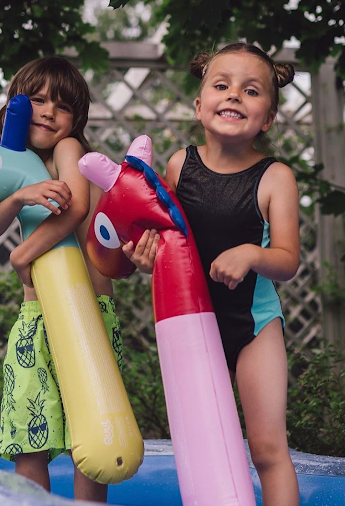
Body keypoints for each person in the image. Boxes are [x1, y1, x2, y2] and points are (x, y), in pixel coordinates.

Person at [123, 43, 300, 506]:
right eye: (222, 86)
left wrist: (252, 255)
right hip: (194, 325)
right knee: (205, 450)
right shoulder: (181, 167)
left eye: (250, 90)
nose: (234, 96)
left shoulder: (275, 177)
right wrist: (149, 258)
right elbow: (169, 242)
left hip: (254, 325)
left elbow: (287, 259)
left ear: (268, 118)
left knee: (266, 449)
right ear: (200, 107)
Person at [0, 56, 120, 503]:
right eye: (37, 101)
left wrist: (24, 253)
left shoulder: (68, 150)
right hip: (36, 317)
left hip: (86, 317)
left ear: (75, 120)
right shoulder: (18, 164)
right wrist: (20, 193)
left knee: (91, 440)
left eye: (61, 107)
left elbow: (76, 206)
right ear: (15, 108)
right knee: (28, 441)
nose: (47, 112)